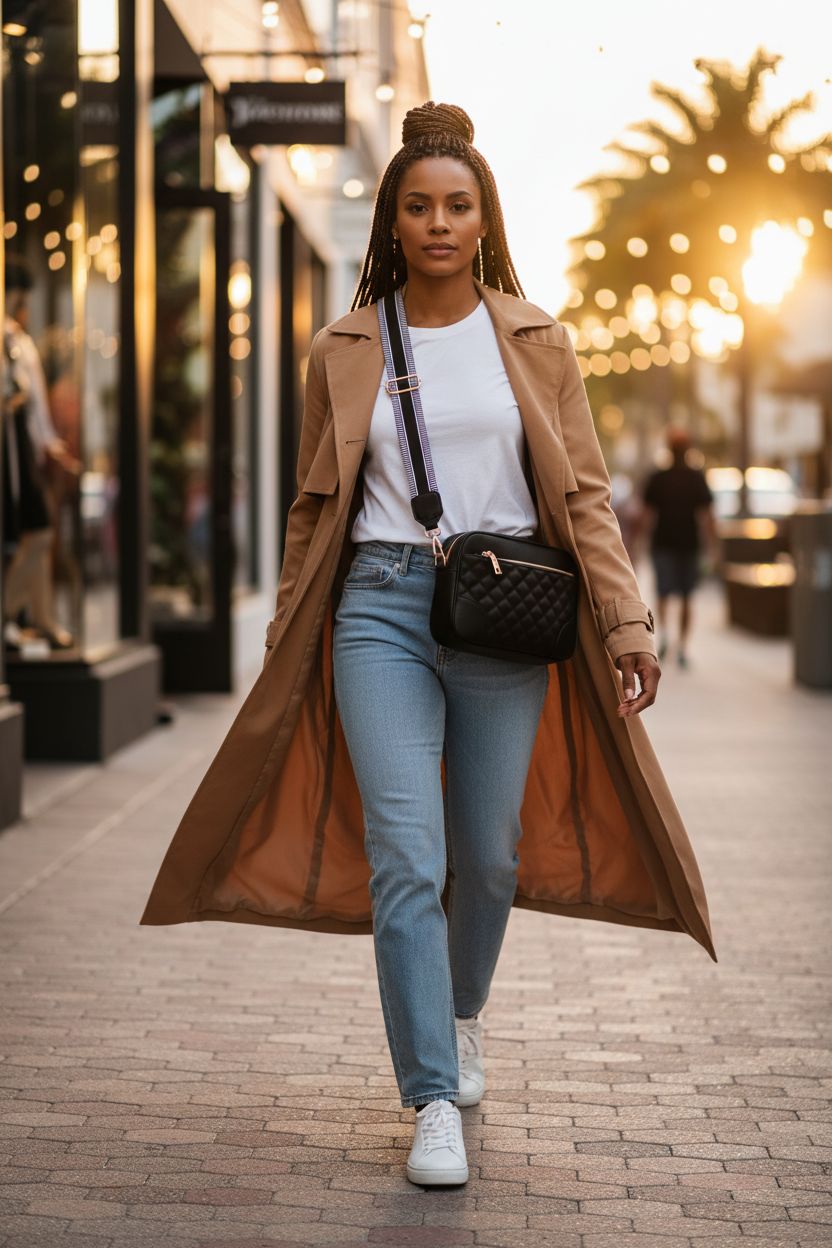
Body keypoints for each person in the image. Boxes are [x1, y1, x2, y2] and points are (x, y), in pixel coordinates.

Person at [141, 101, 716, 1193]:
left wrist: (627, 622)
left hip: (506, 612)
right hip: (378, 608)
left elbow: (584, 497)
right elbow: (315, 506)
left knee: (487, 857)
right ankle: (431, 1097)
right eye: (419, 206)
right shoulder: (344, 346)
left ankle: (460, 1015)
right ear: (393, 222)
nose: (439, 223)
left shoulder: (536, 340)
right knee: (407, 856)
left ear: (484, 218)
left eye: (458, 205)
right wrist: (285, 632)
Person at [2, 257, 77, 651]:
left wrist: (48, 443)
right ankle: (10, 614)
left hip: (23, 449)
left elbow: (33, 407)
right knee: (39, 534)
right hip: (14, 450)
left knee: (39, 536)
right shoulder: (11, 342)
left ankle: (38, 618)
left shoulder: (16, 343)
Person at [639, 427, 718, 668]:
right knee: (685, 596)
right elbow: (707, 516)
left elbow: (647, 515)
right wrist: (713, 546)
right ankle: (679, 644)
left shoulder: (659, 477)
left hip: (665, 544)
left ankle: (667, 637)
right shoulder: (695, 477)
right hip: (685, 545)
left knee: (666, 594)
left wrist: (639, 543)